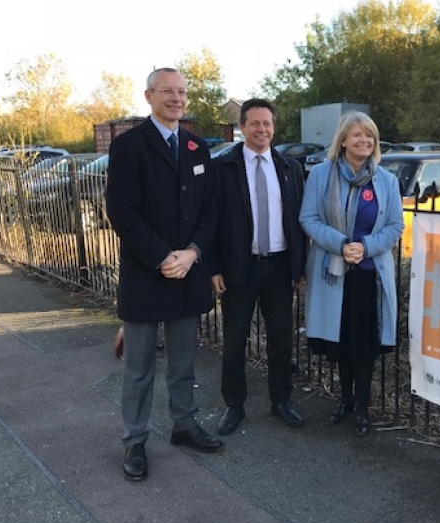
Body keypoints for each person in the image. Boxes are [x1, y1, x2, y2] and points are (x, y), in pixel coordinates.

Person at [106, 67, 223, 482]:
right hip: (146, 272)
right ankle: (134, 439)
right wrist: (162, 257)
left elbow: (210, 210)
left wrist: (192, 253)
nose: (176, 98)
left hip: (187, 271)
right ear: (149, 96)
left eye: (181, 92)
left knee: (183, 363)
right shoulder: (129, 146)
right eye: (167, 91)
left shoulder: (196, 146)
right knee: (138, 367)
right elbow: (122, 212)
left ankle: (184, 425)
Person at [298, 112, 404, 436]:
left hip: (369, 272)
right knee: (340, 339)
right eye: (357, 135)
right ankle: (344, 400)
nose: (364, 141)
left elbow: (395, 226)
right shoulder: (320, 175)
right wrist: (342, 244)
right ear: (342, 140)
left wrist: (366, 246)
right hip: (334, 269)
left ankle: (362, 408)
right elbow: (309, 218)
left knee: (365, 342)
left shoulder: (386, 180)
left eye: (369, 135)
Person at [210, 98, 308, 435]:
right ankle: (233, 405)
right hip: (240, 267)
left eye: (267, 124)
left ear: (274, 127)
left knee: (281, 339)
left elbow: (299, 222)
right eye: (254, 124)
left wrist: (300, 267)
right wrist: (214, 267)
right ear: (242, 127)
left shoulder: (289, 167)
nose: (262, 129)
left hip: (280, 268)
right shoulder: (224, 167)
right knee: (235, 340)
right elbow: (212, 222)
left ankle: (281, 401)